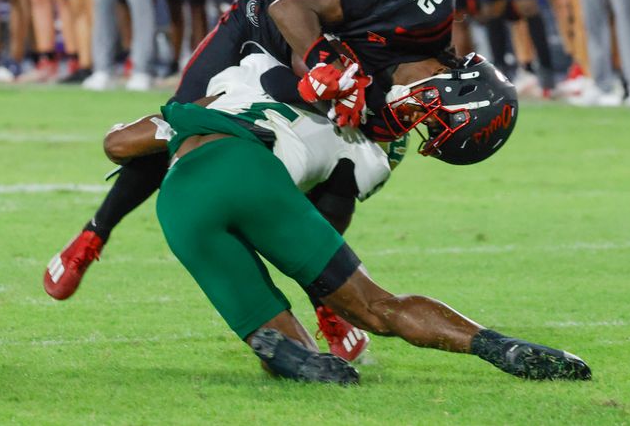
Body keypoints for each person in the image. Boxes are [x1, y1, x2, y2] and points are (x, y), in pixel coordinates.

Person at [41, 0, 459, 355]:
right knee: (178, 129)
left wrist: (336, 89)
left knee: (345, 167)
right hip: (254, 35)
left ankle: (327, 301)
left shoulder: (407, 57)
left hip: (306, 72)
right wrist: (320, 64)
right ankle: (93, 235)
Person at [92, 52, 590, 384]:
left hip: (179, 204)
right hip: (252, 171)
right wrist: (328, 284)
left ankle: (287, 351)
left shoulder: (243, 75)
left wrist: (145, 124)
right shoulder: (364, 144)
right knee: (377, 308)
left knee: (287, 352)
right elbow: (336, 208)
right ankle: (495, 345)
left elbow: (119, 145)